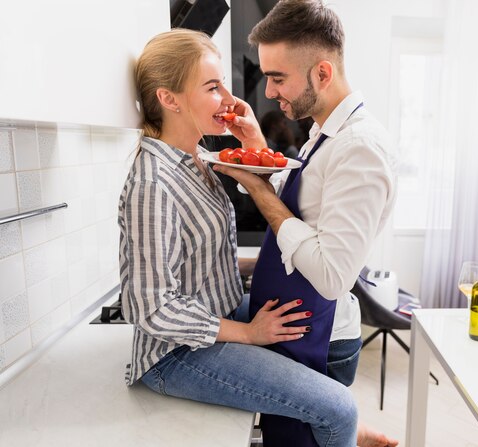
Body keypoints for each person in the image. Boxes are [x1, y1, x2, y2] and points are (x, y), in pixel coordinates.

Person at [119, 28, 395, 447]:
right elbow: (150, 308)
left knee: (302, 331)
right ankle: (340, 428)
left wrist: (254, 265)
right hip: (176, 354)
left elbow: (199, 255)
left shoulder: (199, 160)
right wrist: (248, 333)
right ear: (169, 99)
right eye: (213, 87)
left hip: (218, 309)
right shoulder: (152, 182)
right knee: (340, 407)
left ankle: (332, 432)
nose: (229, 100)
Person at [212, 1, 398, 446]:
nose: (270, 91)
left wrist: (259, 193)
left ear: (322, 73)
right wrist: (256, 146)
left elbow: (333, 276)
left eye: (278, 78)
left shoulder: (360, 149)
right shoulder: (325, 132)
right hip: (298, 322)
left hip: (321, 337)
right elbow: (306, 207)